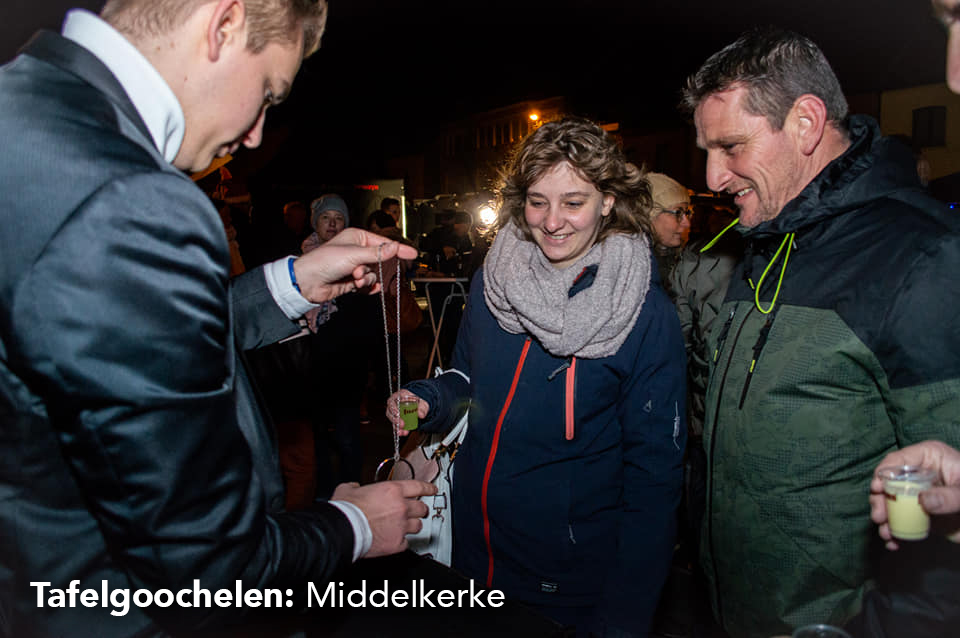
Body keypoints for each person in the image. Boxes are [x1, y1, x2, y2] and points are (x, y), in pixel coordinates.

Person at [0, 2, 436, 636]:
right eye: (266, 92)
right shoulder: (129, 197)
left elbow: (109, 347)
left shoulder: (25, 109)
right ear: (224, 23)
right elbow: (205, 569)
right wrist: (354, 525)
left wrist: (289, 283)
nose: (257, 132)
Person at [682, 26, 960, 637]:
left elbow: (947, 515)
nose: (713, 176)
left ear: (805, 123)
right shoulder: (761, 244)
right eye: (707, 149)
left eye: (731, 146)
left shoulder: (924, 258)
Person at [387, 117, 687, 637]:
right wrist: (430, 397)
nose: (552, 221)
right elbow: (467, 379)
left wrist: (623, 621)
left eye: (573, 202)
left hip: (566, 578)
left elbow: (654, 483)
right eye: (537, 200)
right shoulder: (492, 279)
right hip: (471, 552)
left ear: (608, 201)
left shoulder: (643, 312)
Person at [645, 172, 692, 297]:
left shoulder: (679, 263)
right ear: (650, 214)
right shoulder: (633, 269)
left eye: (687, 213)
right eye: (677, 213)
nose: (686, 223)